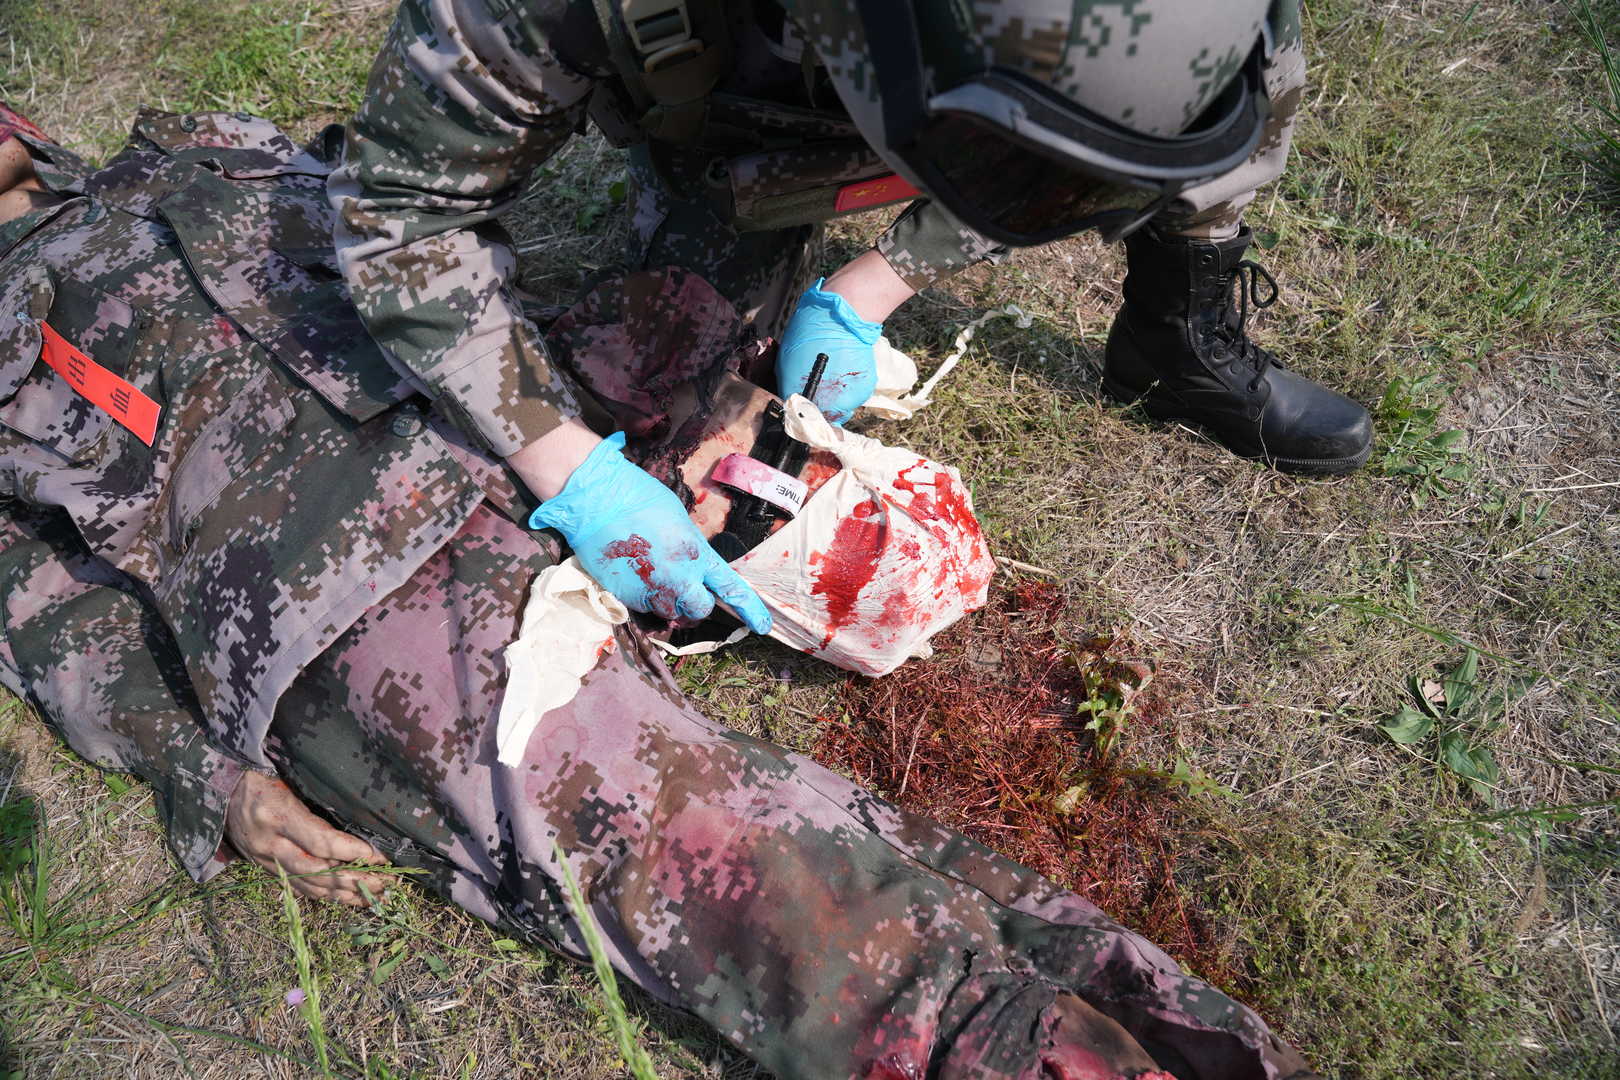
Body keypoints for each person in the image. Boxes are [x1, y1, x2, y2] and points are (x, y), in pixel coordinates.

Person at [0, 104, 1320, 1078]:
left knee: (745, 200)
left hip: (531, 416)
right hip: (344, 587)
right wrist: (200, 767)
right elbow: (38, 600)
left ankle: (1191, 1036)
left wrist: (629, 410)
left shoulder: (194, 151)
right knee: (749, 876)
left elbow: (433, 244)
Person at [329, 0, 1375, 640]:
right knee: (690, 353)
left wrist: (877, 284)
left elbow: (1107, 136)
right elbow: (399, 217)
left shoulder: (1194, 29)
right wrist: (566, 465)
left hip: (911, 76)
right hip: (733, 79)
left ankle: (1172, 340)